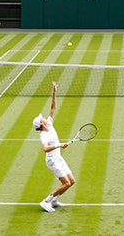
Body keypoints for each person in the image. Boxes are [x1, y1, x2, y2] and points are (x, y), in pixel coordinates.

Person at [33, 81, 75, 213]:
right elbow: (45, 148)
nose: (44, 117)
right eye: (42, 118)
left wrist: (54, 92)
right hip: (52, 161)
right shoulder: (43, 136)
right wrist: (59, 145)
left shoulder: (49, 124)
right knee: (66, 183)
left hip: (58, 158)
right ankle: (46, 201)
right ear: (41, 124)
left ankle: (55, 200)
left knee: (72, 181)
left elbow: (52, 108)